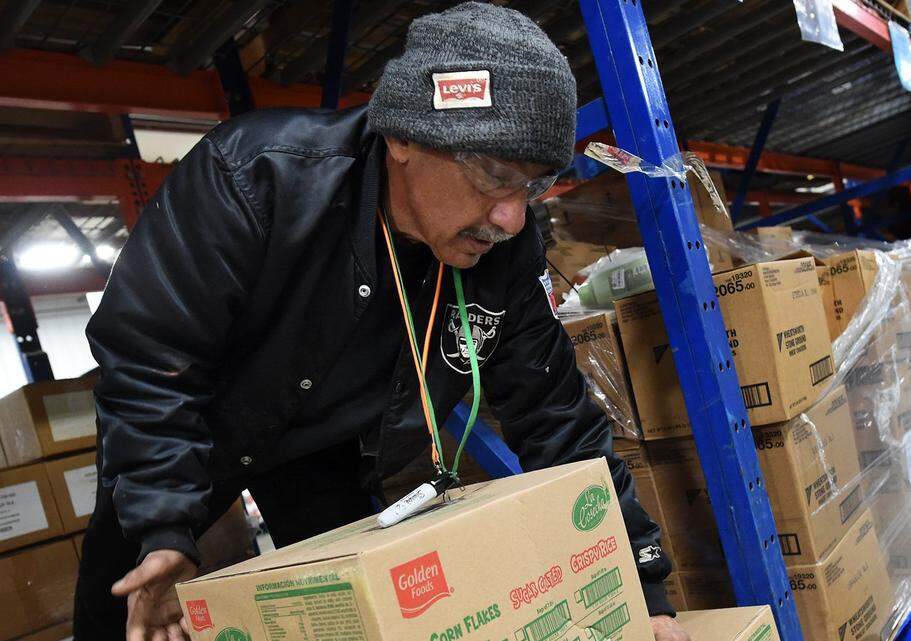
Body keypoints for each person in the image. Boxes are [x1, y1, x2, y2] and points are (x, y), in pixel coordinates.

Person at [75, 3, 692, 640]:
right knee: (129, 605)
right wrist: (161, 527)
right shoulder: (253, 177)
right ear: (402, 137)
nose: (511, 217)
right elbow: (152, 360)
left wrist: (646, 590)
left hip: (319, 452)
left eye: (532, 187)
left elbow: (558, 421)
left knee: (341, 617)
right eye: (496, 175)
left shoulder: (503, 258)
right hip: (191, 426)